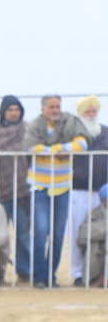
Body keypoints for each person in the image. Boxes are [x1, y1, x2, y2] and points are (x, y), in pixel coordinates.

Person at [22, 94, 90, 288]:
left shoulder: (70, 122)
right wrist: (59, 152)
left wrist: (57, 148)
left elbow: (82, 144)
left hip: (62, 187)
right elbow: (30, 148)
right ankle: (39, 276)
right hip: (40, 187)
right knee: (41, 231)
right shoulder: (35, 125)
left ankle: (50, 276)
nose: (55, 110)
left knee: (58, 235)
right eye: (51, 107)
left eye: (57, 106)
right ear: (43, 109)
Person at [0, 96, 31, 283]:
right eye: (10, 109)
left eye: (17, 109)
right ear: (3, 111)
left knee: (23, 234)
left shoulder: (27, 128)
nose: (14, 113)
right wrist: (17, 147)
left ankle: (24, 271)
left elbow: (29, 147)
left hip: (22, 190)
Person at [68, 95, 108, 285]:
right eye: (87, 111)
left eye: (93, 111)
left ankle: (101, 273)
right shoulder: (73, 135)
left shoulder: (106, 133)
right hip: (78, 191)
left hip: (103, 193)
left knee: (102, 232)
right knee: (77, 232)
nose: (91, 114)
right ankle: (78, 273)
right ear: (80, 114)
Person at [76, 183, 107, 287]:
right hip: (99, 248)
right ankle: (95, 279)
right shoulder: (95, 213)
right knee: (93, 245)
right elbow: (83, 234)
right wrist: (105, 228)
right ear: (104, 200)